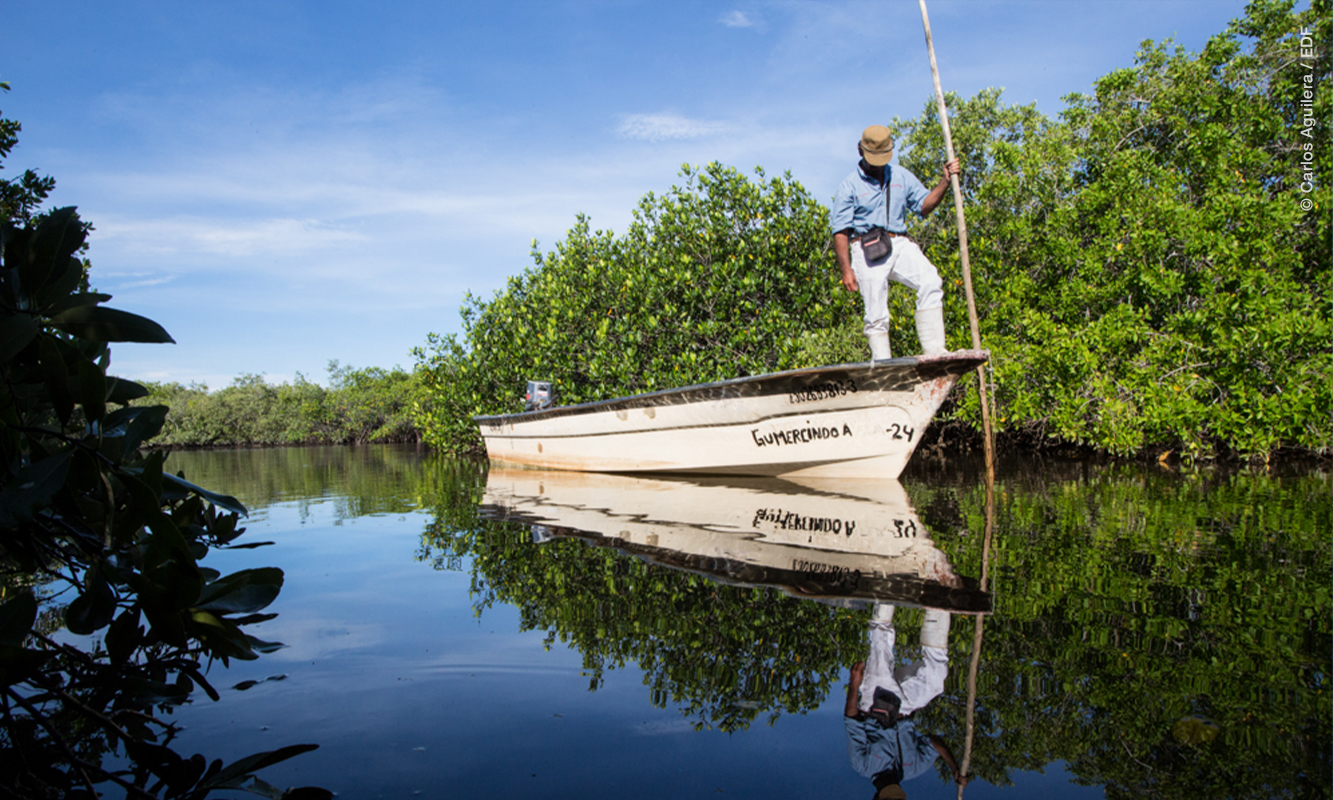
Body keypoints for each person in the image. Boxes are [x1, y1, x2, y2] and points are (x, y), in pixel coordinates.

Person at [831, 125, 961, 361]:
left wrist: (944, 181)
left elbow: (924, 206)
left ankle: (935, 352)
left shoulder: (900, 176)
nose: (878, 164)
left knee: (931, 281)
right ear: (860, 151)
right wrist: (846, 270)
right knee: (876, 313)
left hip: (898, 242)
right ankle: (883, 363)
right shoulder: (849, 186)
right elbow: (840, 230)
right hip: (865, 246)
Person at [843, 603, 966, 798]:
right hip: (905, 707)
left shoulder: (862, 765)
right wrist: (953, 768)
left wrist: (854, 684)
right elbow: (935, 743)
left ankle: (885, 590)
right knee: (936, 680)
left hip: (875, 702)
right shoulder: (913, 768)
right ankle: (937, 607)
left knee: (881, 645)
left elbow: (852, 721)